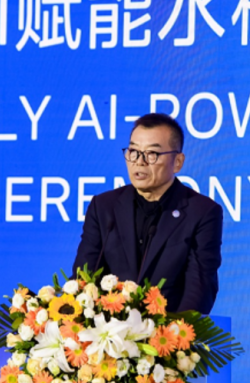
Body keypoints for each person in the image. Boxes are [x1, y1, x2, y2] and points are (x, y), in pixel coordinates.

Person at [72, 113, 223, 314]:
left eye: (152, 153)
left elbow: (199, 291)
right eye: (134, 151)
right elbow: (83, 279)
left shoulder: (201, 212)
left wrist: (174, 331)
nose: (139, 162)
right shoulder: (104, 207)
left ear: (178, 162)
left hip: (169, 329)